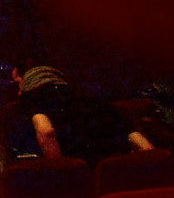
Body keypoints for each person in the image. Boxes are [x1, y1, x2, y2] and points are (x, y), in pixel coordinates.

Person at [8, 64, 154, 161]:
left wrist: (62, 172)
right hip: (114, 179)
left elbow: (46, 132)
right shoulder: (90, 97)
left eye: (18, 82)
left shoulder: (34, 98)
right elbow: (144, 147)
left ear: (28, 79)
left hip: (78, 180)